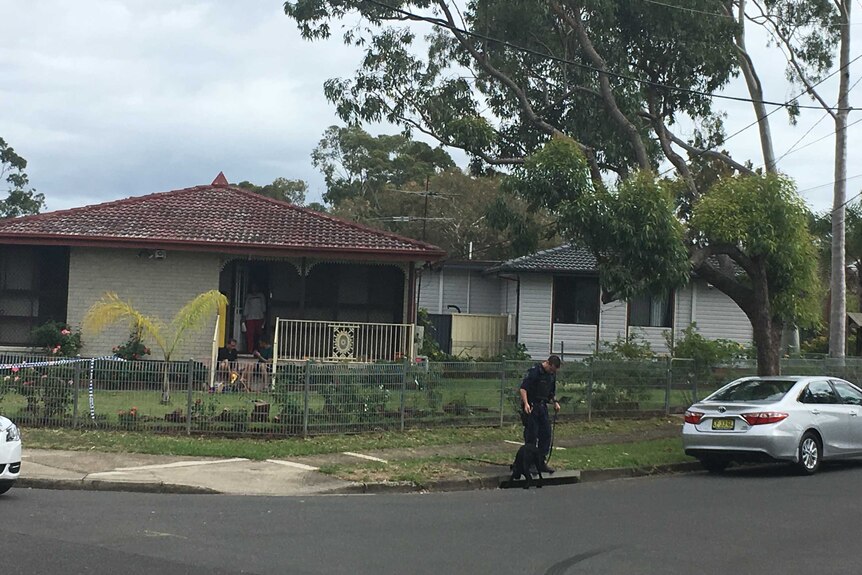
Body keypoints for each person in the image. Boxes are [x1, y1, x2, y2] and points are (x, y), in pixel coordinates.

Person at [519, 355, 562, 473]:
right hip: (532, 406)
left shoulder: (551, 375)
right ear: (548, 363)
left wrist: (555, 402)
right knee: (532, 435)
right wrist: (526, 404)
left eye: (554, 371)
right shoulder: (535, 371)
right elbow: (523, 389)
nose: (552, 372)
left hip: (542, 407)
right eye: (551, 369)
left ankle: (540, 462)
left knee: (546, 434)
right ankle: (530, 463)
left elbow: (551, 392)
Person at [242, 282, 267, 353]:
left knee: (259, 334)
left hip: (259, 317)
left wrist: (264, 317)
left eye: (255, 287)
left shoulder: (261, 296)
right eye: (253, 287)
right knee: (250, 335)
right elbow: (246, 307)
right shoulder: (249, 296)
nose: (254, 288)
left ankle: (259, 350)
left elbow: (263, 307)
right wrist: (244, 318)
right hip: (250, 318)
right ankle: (250, 350)